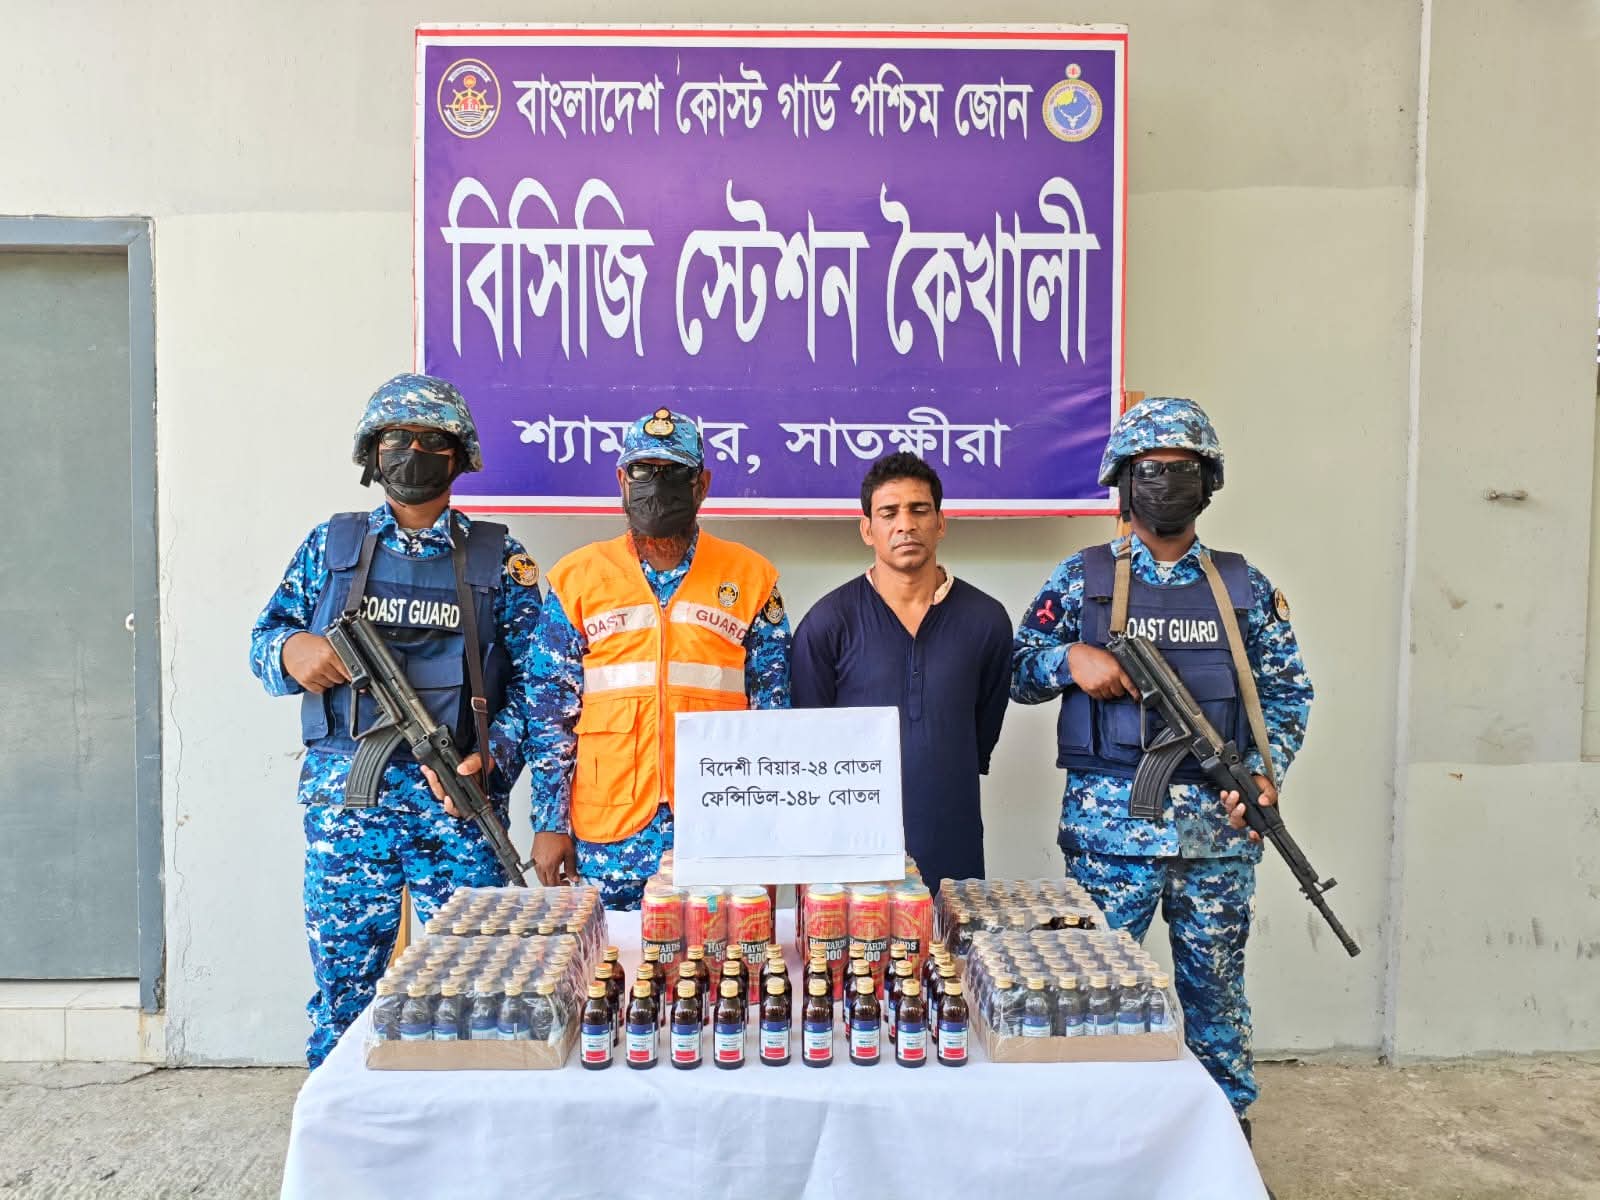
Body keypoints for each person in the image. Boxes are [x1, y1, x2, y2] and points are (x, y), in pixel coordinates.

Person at [1010, 397, 1313, 1136]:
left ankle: (1223, 1146)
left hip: (1216, 836)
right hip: (1110, 838)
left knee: (1216, 1000)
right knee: (1089, 998)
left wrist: (1264, 772)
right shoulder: (1081, 579)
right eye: (1150, 471)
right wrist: (1069, 658)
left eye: (1182, 470)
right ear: (1123, 482)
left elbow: (1286, 693)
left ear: (1208, 482)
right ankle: (1089, 1139)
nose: (1166, 484)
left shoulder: (1243, 589)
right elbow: (1016, 669)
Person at [249, 374, 544, 1068]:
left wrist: (492, 753)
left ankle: (459, 1122)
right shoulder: (332, 547)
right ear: (371, 452)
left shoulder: (500, 558)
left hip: (457, 807)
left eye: (432, 441)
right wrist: (292, 651)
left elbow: (541, 684)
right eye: (397, 439)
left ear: (459, 457)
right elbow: (265, 639)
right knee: (345, 993)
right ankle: (343, 1122)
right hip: (348, 810)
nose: (413, 452)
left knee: (475, 993)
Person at [507, 408, 791, 909]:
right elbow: (549, 715)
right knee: (608, 959)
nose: (657, 486)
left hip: (719, 825)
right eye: (643, 471)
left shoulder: (751, 578)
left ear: (702, 484)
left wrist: (768, 827)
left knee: (719, 958)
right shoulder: (577, 579)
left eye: (674, 473)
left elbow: (773, 713)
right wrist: (549, 823)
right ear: (622, 479)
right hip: (608, 829)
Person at [791, 453, 1011, 891]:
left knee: (952, 938)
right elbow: (811, 743)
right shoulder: (828, 623)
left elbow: (981, 732)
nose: (905, 525)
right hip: (852, 856)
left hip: (953, 844)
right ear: (867, 530)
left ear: (941, 523)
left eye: (919, 510)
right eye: (889, 513)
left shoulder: (986, 621)